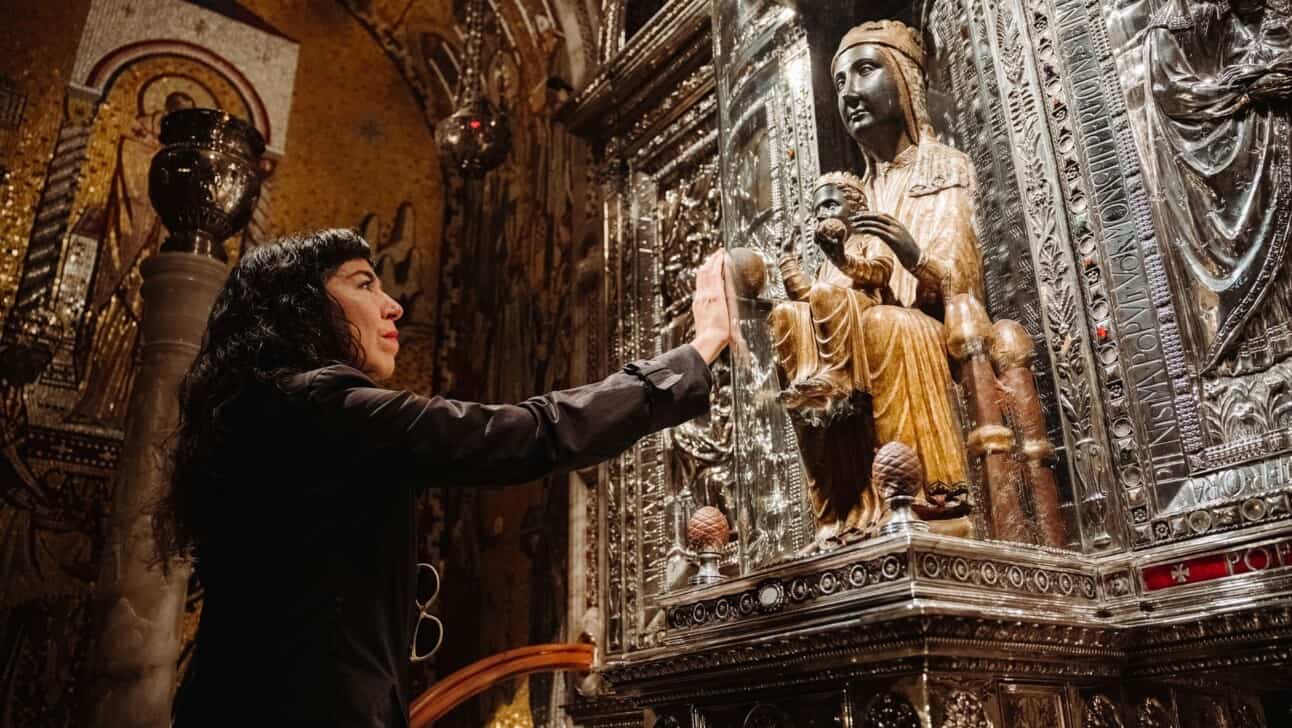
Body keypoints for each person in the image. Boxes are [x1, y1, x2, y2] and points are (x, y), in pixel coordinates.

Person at [158, 228, 731, 727]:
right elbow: (530, 433)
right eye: (363, 283)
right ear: (301, 306)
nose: (393, 306)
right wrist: (697, 352)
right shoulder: (316, 408)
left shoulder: (265, 415)